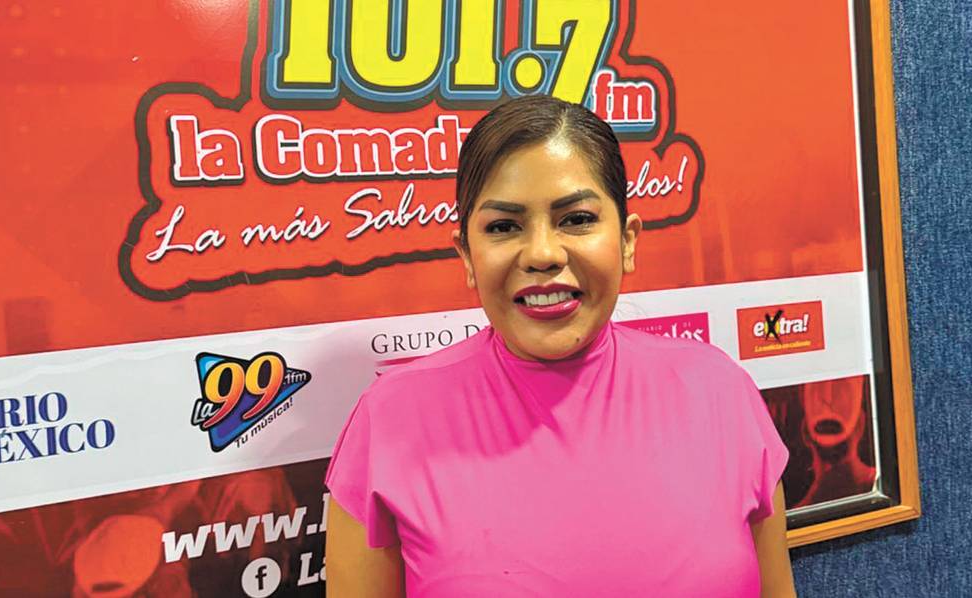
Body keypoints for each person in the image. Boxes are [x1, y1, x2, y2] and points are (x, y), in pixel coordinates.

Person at [324, 95, 796, 597]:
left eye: (576, 219)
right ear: (466, 255)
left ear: (628, 240)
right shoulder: (390, 422)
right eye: (504, 226)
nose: (543, 254)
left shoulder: (721, 392)